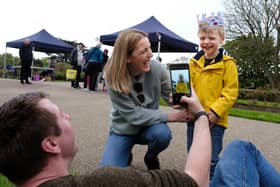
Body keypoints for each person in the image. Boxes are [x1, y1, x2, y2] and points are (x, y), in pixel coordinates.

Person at [1, 92, 279, 187]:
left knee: (159, 134)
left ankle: (150, 153)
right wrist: (201, 117)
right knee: (241, 149)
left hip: (147, 125)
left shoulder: (154, 72)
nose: (70, 116)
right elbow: (195, 180)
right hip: (125, 129)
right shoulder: (105, 182)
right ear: (50, 144)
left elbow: (162, 99)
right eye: (61, 116)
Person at [100, 29, 188, 170]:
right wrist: (172, 116)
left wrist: (179, 101)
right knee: (107, 175)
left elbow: (169, 95)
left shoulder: (157, 69)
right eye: (143, 51)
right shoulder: (113, 76)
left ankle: (151, 157)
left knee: (162, 135)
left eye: (150, 48)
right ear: (127, 57)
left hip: (149, 127)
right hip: (123, 129)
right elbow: (134, 115)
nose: (151, 54)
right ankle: (125, 152)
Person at [187, 13, 239, 179]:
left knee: (210, 159)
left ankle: (213, 182)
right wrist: (183, 103)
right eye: (202, 38)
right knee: (193, 155)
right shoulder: (192, 63)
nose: (206, 42)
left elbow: (230, 92)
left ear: (221, 39)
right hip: (194, 118)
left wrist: (215, 112)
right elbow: (189, 89)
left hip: (214, 121)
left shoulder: (228, 64)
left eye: (211, 37)